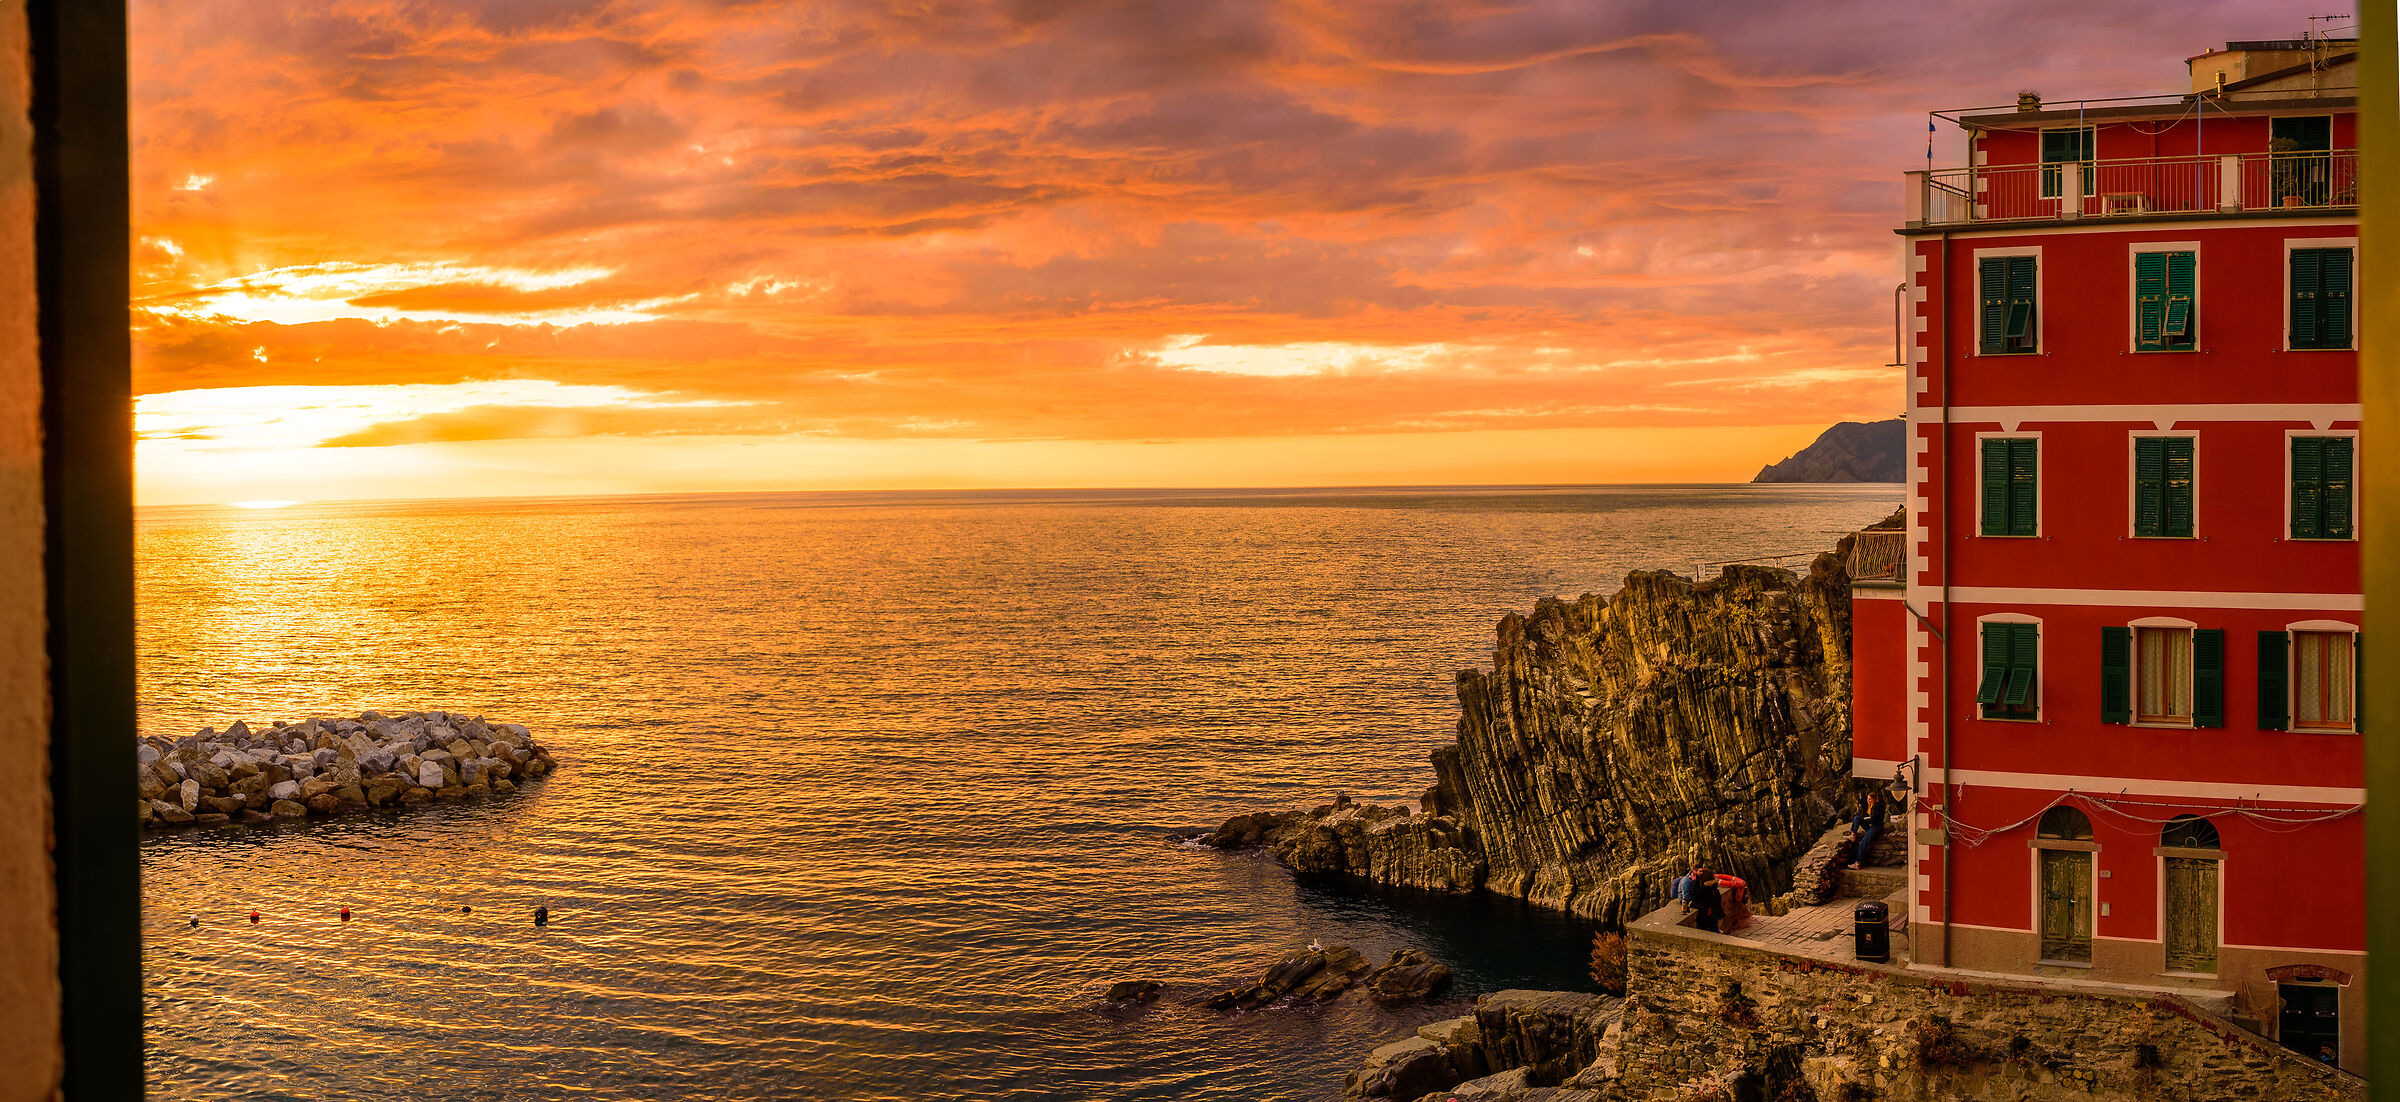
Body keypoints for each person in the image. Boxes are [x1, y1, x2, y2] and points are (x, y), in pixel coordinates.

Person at [1848, 787, 1892, 869]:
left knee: (1862, 843)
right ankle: (1853, 834)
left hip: (1876, 828)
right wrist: (1866, 820)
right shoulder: (1874, 806)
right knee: (1857, 818)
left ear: (1875, 799)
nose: (1868, 801)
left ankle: (1858, 863)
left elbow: (1874, 820)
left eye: (1870, 799)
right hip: (1873, 826)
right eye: (1868, 799)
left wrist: (1866, 820)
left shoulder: (1877, 806)